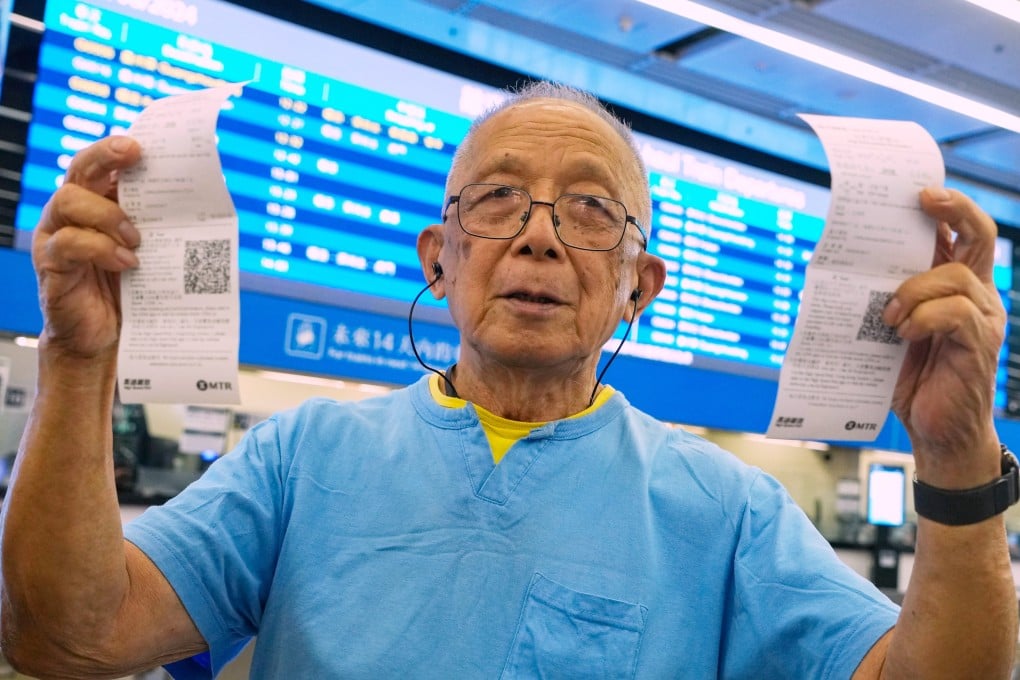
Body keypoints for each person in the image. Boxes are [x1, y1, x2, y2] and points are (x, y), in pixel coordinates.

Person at [1, 80, 1016, 678]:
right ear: (439, 258)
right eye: (498, 201)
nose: (537, 235)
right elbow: (66, 633)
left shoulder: (725, 511)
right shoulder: (303, 460)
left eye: (587, 211)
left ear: (638, 286)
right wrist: (80, 360)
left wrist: (958, 455)